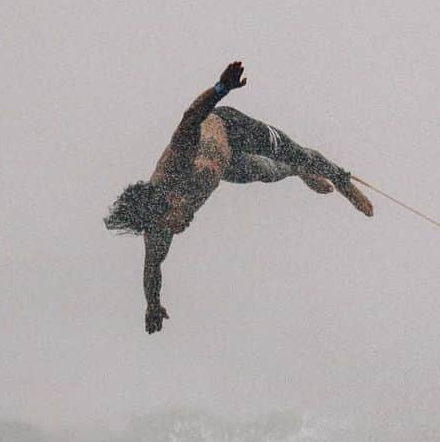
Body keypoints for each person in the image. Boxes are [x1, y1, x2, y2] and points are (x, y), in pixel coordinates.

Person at [104, 62, 373, 332]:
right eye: (169, 229)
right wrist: (152, 305)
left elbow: (191, 116)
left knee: (297, 154)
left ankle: (341, 180)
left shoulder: (176, 166)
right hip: (227, 165)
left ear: (168, 202)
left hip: (230, 127)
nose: (178, 229)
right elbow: (152, 270)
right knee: (268, 173)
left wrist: (221, 88)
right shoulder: (157, 230)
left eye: (172, 223)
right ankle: (298, 173)